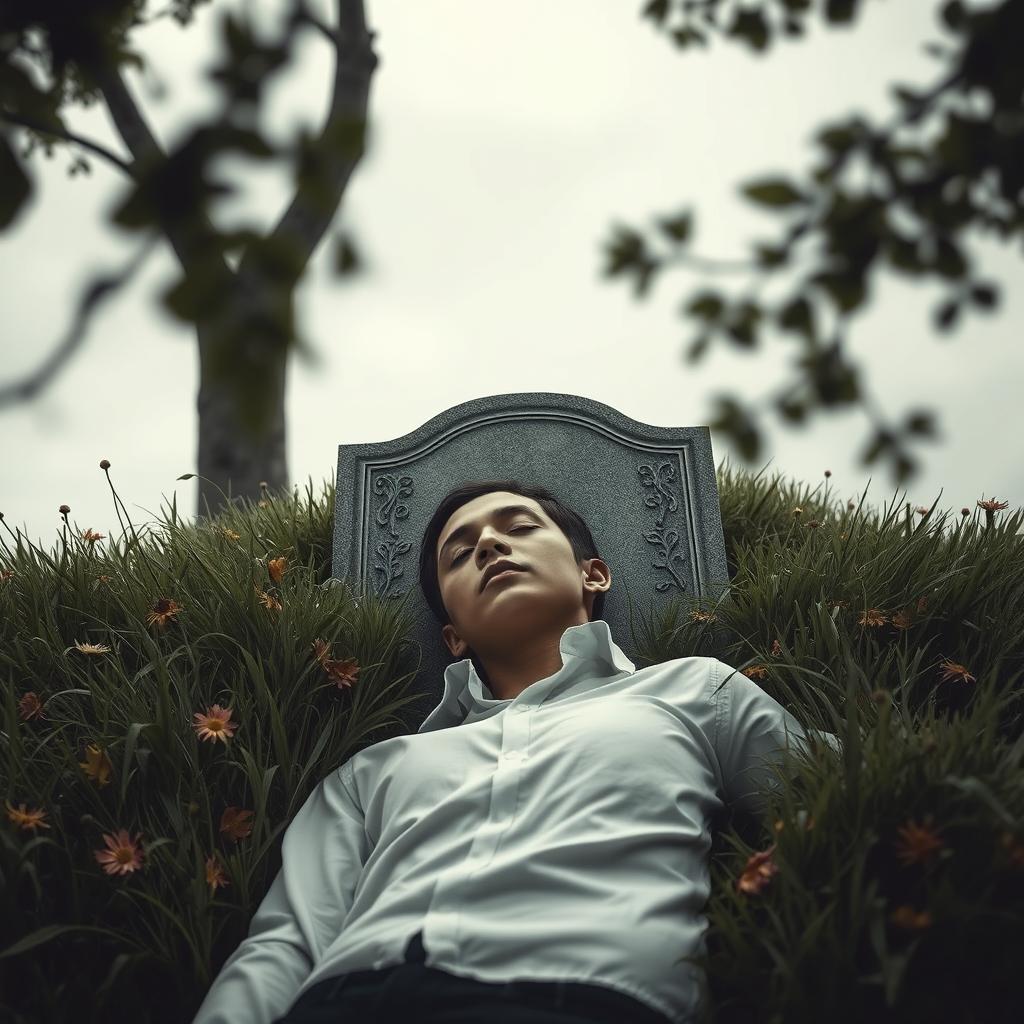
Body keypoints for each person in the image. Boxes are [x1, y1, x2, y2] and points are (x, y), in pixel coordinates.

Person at [192, 480, 840, 1024]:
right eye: (460, 552)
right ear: (452, 635)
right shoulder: (375, 769)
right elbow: (286, 942)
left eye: (517, 527)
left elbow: (844, 792)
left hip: (587, 1000)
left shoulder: (695, 691)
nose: (490, 545)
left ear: (594, 574)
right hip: (347, 1002)